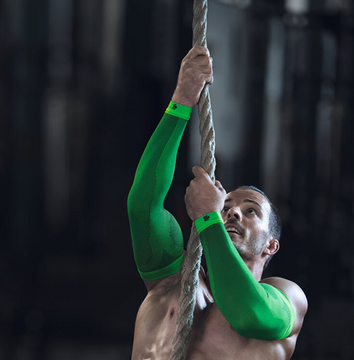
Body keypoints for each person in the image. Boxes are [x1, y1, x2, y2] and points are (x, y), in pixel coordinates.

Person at [127, 46, 308, 360]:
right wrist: (182, 101)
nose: (232, 211)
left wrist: (210, 219)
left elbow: (248, 313)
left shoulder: (287, 298)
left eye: (250, 210)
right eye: (225, 207)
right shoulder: (170, 279)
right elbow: (143, 206)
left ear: (271, 245)